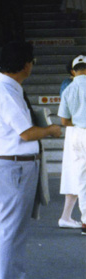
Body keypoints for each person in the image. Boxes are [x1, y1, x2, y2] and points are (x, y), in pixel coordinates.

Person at [0, 41, 62, 279]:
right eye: (32, 61)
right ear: (24, 64)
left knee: (15, 230)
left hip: (14, 166)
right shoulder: (5, 93)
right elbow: (27, 133)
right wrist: (50, 130)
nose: (32, 66)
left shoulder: (8, 88)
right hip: (14, 168)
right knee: (12, 231)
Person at [57, 54, 86, 235]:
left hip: (75, 134)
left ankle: (85, 221)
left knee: (82, 178)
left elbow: (64, 120)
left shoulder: (68, 89)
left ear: (73, 71)